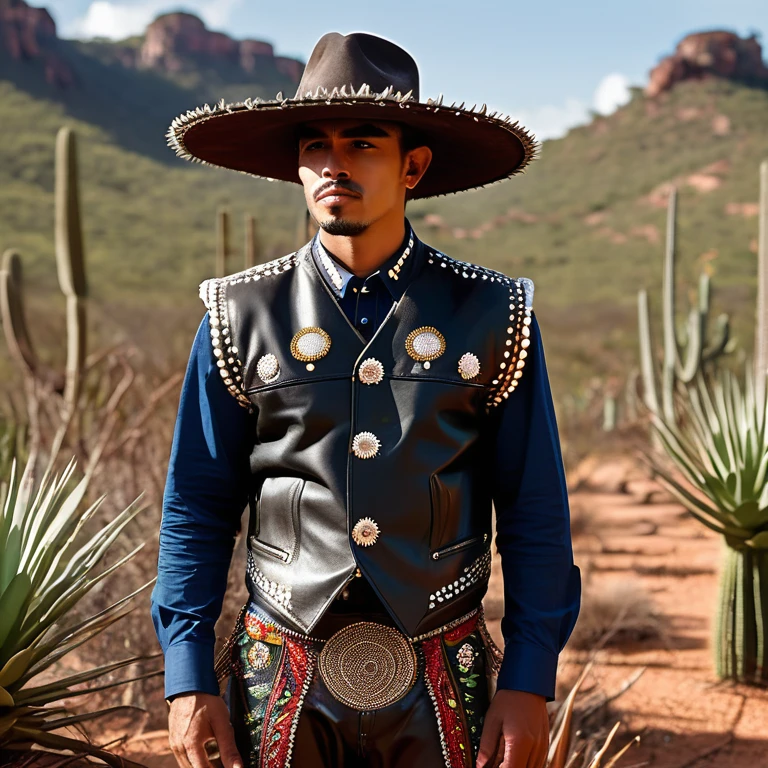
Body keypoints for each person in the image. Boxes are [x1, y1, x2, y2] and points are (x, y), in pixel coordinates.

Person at [153, 30, 581, 768]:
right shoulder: (237, 315)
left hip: (445, 675)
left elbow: (533, 506)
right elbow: (197, 503)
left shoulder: (493, 312)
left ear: (412, 165)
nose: (332, 163)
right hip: (276, 671)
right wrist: (188, 673)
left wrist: (530, 674)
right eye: (315, 145)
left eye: (361, 144)